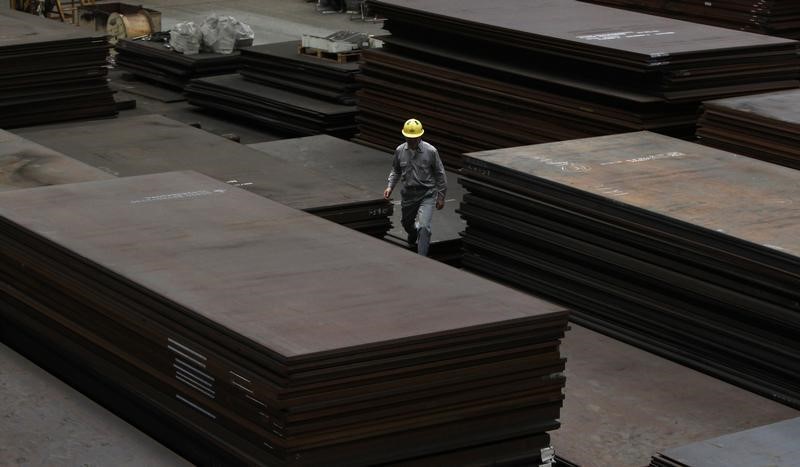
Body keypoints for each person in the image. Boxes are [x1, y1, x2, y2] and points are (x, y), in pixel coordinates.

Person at [383, 118, 447, 257]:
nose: (411, 141)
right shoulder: (400, 151)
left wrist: (441, 197)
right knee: (406, 223)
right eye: (408, 138)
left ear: (420, 136)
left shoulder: (431, 151)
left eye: (414, 138)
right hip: (408, 195)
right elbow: (396, 170)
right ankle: (413, 232)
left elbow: (440, 174)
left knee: (424, 227)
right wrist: (390, 187)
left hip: (427, 194)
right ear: (404, 136)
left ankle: (421, 258)